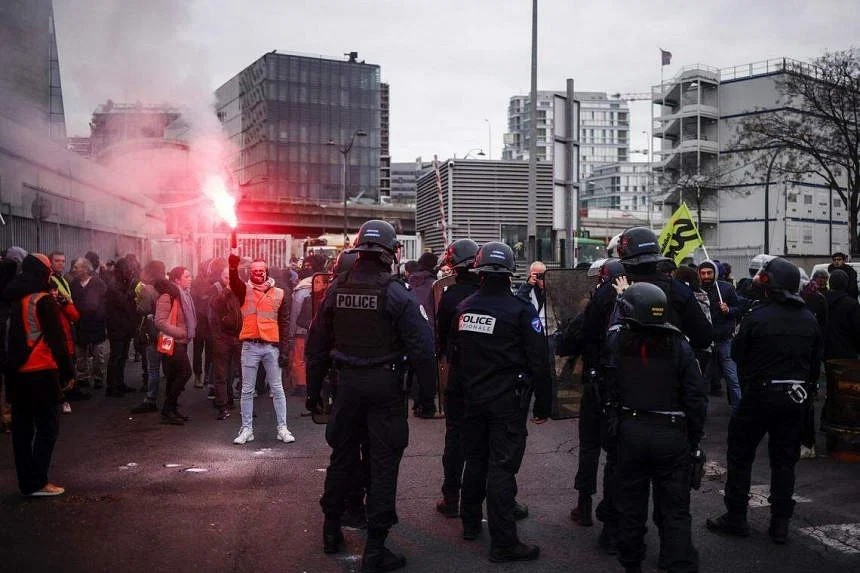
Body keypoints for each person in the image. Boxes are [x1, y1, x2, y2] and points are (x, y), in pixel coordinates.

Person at [306, 220, 434, 572]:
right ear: (390, 253)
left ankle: (331, 531)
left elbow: (317, 345)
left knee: (342, 458)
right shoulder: (396, 293)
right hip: (384, 388)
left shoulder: (336, 289)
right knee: (382, 465)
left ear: (359, 250)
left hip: (346, 387)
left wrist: (314, 391)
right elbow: (423, 350)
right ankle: (376, 550)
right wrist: (428, 399)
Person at [707, 257, 822, 545]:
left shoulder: (757, 317)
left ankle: (736, 518)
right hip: (795, 398)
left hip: (759, 395)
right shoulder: (809, 319)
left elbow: (737, 354)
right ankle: (780, 523)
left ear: (770, 284)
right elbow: (814, 363)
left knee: (740, 455)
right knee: (784, 461)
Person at [450, 241, 551, 563]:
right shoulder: (521, 311)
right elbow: (540, 362)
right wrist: (545, 405)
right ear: (510, 273)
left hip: (471, 401)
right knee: (501, 470)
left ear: (479, 270)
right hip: (507, 403)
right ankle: (504, 542)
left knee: (475, 460)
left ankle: (469, 523)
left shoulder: (464, 308)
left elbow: (454, 358)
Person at [604, 282, 707, 573]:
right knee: (675, 509)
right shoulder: (679, 346)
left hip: (630, 431)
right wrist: (693, 439)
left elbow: (608, 388)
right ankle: (677, 562)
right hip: (671, 434)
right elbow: (695, 397)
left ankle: (631, 563)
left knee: (630, 507)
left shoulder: (618, 343)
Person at [5, 254, 75, 496]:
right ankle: (39, 481)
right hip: (41, 371)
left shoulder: (12, 297)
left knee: (22, 430)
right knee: (48, 426)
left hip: (15, 373)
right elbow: (57, 341)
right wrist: (68, 373)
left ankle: (26, 482)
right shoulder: (42, 300)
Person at [570, 258, 625, 528]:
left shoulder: (596, 302)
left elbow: (572, 340)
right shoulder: (638, 302)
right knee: (615, 452)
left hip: (596, 383)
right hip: (625, 388)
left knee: (589, 446)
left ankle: (584, 506)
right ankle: (611, 511)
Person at [434, 239, 481, 517]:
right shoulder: (494, 295)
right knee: (488, 443)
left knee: (455, 440)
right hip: (490, 381)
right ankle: (497, 502)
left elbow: (441, 340)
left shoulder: (449, 297)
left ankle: (451, 498)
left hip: (459, 378)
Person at [229, 253, 292, 445]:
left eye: (261, 271)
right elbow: (234, 283)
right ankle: (247, 429)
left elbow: (284, 323)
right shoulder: (244, 291)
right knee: (247, 390)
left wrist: (284, 351)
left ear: (267, 272)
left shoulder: (279, 293)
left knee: (277, 389)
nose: (258, 274)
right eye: (254, 271)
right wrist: (232, 268)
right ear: (250, 272)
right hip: (250, 346)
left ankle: (282, 428)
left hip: (271, 347)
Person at [820, 269, 860, 436]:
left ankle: (826, 418)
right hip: (846, 353)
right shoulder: (851, 304)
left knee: (830, 386)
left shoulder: (821, 301)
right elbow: (857, 331)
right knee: (845, 389)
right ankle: (841, 422)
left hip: (824, 350)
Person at [154, 267, 196, 425]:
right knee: (185, 372)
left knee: (173, 375)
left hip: (180, 341)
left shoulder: (184, 294)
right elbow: (159, 321)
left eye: (189, 275)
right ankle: (167, 409)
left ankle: (170, 409)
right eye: (186, 276)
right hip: (173, 341)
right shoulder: (168, 295)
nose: (190, 278)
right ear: (177, 280)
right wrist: (180, 333)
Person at [698, 260, 742, 409]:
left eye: (709, 273)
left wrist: (728, 310)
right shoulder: (696, 290)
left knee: (732, 377)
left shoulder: (726, 288)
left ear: (715, 273)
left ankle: (738, 409)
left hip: (724, 339)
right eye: (703, 273)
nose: (706, 276)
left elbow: (738, 309)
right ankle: (700, 412)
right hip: (705, 341)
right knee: (702, 379)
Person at [130, 260, 167, 415]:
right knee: (167, 364)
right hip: (166, 332)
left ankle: (151, 398)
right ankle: (169, 398)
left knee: (153, 367)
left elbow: (142, 309)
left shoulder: (147, 290)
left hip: (152, 332)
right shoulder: (167, 287)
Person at [208, 263, 241, 420]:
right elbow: (213, 308)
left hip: (237, 336)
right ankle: (222, 406)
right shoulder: (216, 289)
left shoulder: (240, 289)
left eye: (231, 277)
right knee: (221, 372)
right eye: (226, 277)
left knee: (235, 371)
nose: (229, 280)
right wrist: (226, 291)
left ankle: (231, 400)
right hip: (222, 336)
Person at [69, 257, 108, 390]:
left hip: (96, 324)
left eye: (76, 267)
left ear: (85, 269)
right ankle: (82, 377)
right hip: (80, 324)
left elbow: (104, 303)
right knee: (81, 354)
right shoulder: (73, 284)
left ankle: (98, 377)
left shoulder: (98, 283)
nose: (73, 270)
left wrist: (99, 317)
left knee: (98, 353)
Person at [104, 258, 138, 397]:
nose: (131, 271)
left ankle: (119, 383)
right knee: (116, 356)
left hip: (124, 326)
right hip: (116, 326)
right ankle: (112, 386)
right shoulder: (114, 285)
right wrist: (132, 290)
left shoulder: (121, 282)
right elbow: (123, 302)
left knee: (122, 356)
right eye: (129, 268)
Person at [516, 261, 547, 331]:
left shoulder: (552, 285)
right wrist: (529, 284)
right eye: (537, 275)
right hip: (531, 328)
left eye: (542, 275)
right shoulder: (527, 288)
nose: (540, 277)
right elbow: (519, 300)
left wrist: (546, 285)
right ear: (530, 275)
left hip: (549, 330)